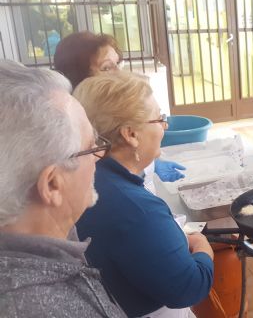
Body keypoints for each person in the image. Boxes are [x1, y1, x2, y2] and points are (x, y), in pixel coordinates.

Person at [73, 72, 214, 318]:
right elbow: (190, 287)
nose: (165, 126)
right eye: (159, 119)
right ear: (131, 134)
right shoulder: (137, 210)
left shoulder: (89, 176)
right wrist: (202, 246)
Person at [0, 60, 125, 317]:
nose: (100, 154)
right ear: (52, 184)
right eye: (91, 147)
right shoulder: (37, 307)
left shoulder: (47, 248)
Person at [54, 31, 186, 187]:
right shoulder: (75, 131)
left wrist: (151, 163)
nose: (119, 73)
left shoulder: (113, 108)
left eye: (118, 64)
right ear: (79, 77)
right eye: (107, 67)